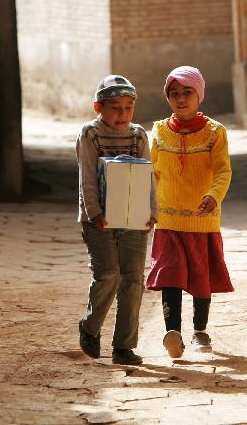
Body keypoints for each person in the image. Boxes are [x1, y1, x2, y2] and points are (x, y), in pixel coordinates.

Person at [146, 66, 234, 358]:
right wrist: (146, 207)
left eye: (187, 93)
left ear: (200, 95)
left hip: (201, 218)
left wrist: (213, 195)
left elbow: (223, 171)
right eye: (174, 94)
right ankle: (173, 333)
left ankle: (200, 330)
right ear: (167, 98)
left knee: (200, 276)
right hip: (168, 219)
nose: (180, 99)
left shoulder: (214, 133)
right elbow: (149, 173)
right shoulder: (158, 131)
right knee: (170, 274)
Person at [76, 75, 156, 365]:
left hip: (133, 218)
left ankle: (123, 346)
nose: (122, 114)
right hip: (97, 219)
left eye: (128, 107)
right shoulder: (90, 134)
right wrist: (95, 213)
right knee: (108, 274)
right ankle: (90, 326)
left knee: (134, 279)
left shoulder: (138, 135)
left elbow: (147, 176)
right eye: (114, 107)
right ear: (98, 107)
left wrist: (151, 211)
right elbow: (87, 178)